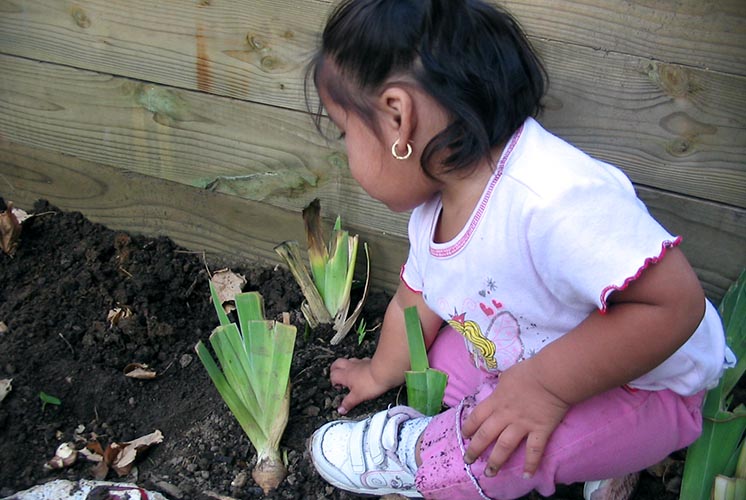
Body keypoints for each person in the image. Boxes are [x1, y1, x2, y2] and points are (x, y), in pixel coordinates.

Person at [304, 1, 734, 499]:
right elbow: (412, 300)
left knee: (497, 457)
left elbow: (673, 305)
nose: (347, 151)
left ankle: (422, 457)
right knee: (440, 361)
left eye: (345, 133)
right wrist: (378, 372)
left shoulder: (553, 201)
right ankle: (597, 458)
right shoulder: (436, 206)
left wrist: (543, 389)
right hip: (535, 359)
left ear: (399, 119)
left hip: (646, 387)